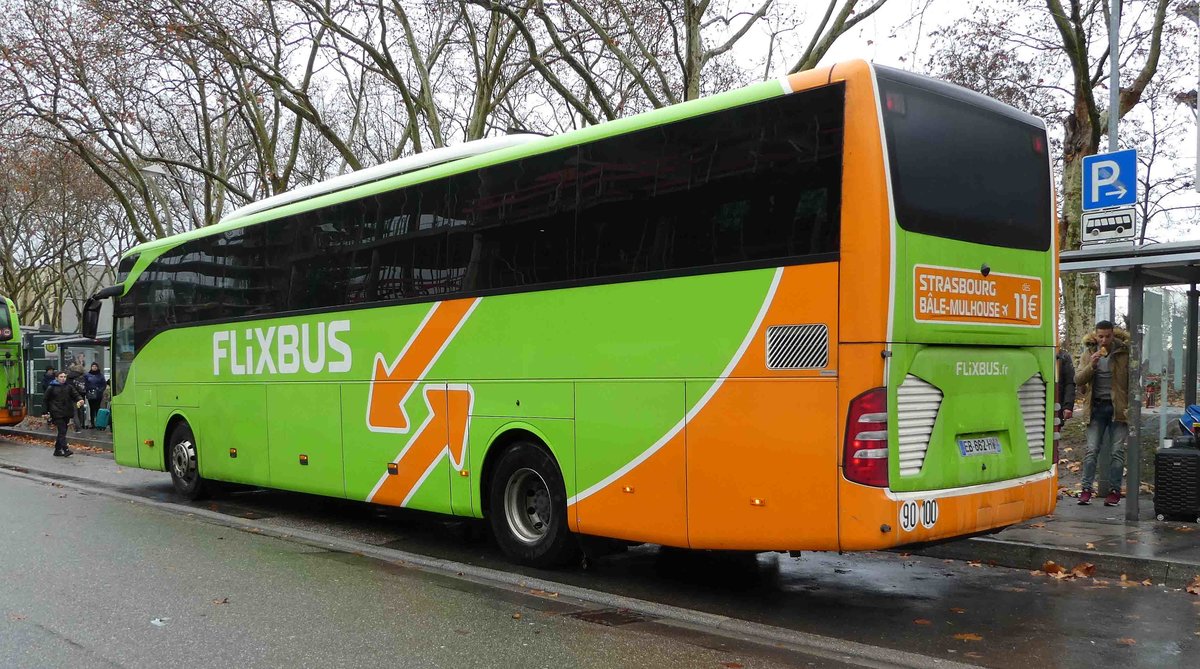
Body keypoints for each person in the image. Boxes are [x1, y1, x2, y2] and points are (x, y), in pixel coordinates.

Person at [1074, 320, 1130, 506]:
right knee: (1091, 450)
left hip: (1117, 409)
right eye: (1101, 336)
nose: (1104, 340)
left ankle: (1114, 491)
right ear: (1096, 336)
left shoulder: (1123, 352)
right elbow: (1078, 379)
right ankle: (1086, 490)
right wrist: (1092, 365)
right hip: (1096, 408)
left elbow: (1133, 379)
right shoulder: (1089, 352)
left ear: (1113, 335)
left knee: (1117, 451)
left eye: (1107, 336)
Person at [43, 371, 85, 457]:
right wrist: (45, 412)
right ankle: (65, 449)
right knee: (62, 430)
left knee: (63, 431)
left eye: (64, 377)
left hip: (66, 411)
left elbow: (75, 394)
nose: (63, 379)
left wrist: (80, 399)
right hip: (56, 412)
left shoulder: (69, 387)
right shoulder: (51, 387)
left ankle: (57, 450)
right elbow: (45, 400)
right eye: (61, 377)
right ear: (56, 378)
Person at [1054, 347, 1076, 462]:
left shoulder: (1063, 357)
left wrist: (1068, 406)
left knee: (1053, 442)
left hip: (1056, 406)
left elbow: (1070, 383)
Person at [83, 363, 106, 429]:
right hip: (90, 394)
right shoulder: (87, 375)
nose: (94, 367)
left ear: (98, 367)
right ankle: (92, 423)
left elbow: (103, 384)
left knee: (97, 408)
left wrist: (100, 390)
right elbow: (85, 383)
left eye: (96, 366)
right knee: (92, 408)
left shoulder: (101, 375)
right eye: (93, 366)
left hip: (98, 394)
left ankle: (98, 422)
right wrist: (87, 390)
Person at [65, 363, 87, 432]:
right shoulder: (83, 377)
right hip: (81, 397)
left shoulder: (69, 377)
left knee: (75, 413)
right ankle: (82, 425)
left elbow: (67, 387)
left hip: (72, 397)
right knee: (81, 412)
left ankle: (78, 427)